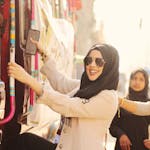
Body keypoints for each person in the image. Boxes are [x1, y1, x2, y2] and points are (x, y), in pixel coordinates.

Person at [7, 43, 119, 150]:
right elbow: (61, 83)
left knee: (25, 142)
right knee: (25, 141)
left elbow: (69, 106)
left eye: (99, 61)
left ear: (109, 66)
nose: (92, 65)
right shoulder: (86, 87)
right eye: (88, 60)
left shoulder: (108, 98)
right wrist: (44, 54)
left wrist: (28, 79)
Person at [110, 69, 150, 150]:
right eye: (134, 78)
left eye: (141, 79)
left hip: (142, 147)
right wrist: (121, 135)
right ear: (130, 81)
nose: (137, 82)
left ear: (146, 83)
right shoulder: (122, 103)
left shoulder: (148, 105)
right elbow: (112, 126)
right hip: (123, 147)